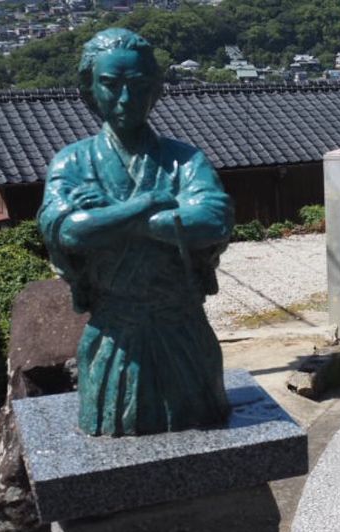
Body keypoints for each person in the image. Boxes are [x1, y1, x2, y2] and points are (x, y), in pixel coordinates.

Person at [39, 28, 234, 436]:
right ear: (89, 89)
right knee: (114, 421)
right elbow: (68, 231)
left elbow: (214, 219)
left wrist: (109, 219)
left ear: (156, 90)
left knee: (200, 420)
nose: (126, 99)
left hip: (182, 326)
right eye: (111, 85)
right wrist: (147, 205)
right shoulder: (72, 162)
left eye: (140, 86)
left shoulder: (184, 160)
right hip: (114, 334)